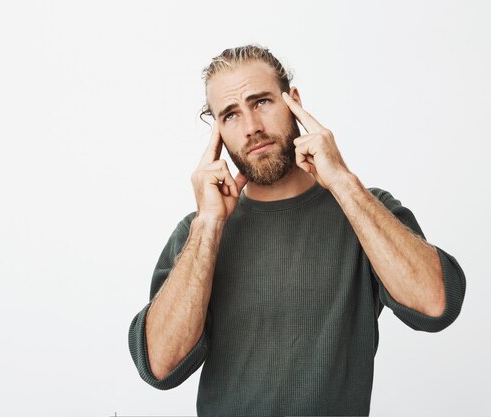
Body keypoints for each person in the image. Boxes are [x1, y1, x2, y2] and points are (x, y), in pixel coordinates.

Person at [127, 44, 466, 416]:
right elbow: (159, 366)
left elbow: (437, 305)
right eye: (230, 115)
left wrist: (342, 182)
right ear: (218, 132)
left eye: (261, 103)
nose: (252, 128)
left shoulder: (365, 209)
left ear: (294, 102)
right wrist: (207, 225)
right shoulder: (198, 235)